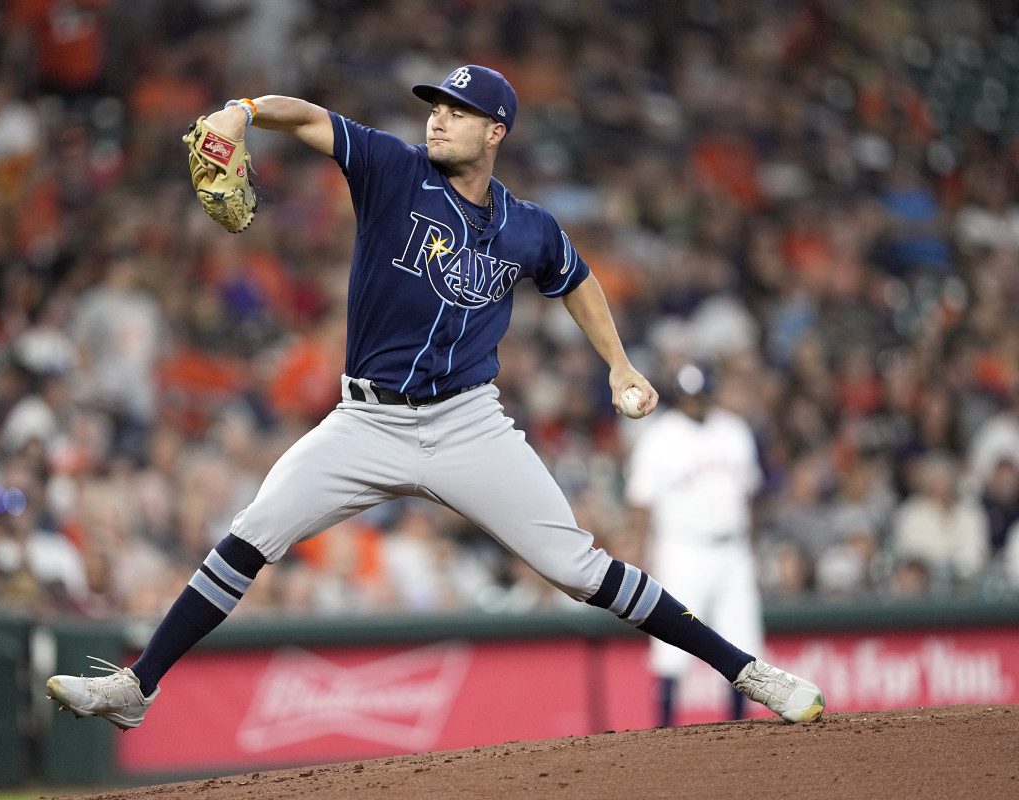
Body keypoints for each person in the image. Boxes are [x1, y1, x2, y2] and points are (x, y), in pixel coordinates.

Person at [46, 65, 824, 730]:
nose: (439, 118)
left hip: (467, 423)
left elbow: (576, 279)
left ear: (497, 132)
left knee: (580, 568)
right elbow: (308, 116)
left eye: (458, 111)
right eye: (436, 106)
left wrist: (619, 364)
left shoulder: (528, 226)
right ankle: (136, 687)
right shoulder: (391, 167)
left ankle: (749, 674)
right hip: (365, 419)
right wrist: (241, 112)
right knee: (251, 534)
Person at [625, 362, 766, 727]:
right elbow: (641, 502)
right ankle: (665, 728)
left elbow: (750, 496)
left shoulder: (734, 430)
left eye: (700, 395)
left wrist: (753, 549)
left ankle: (739, 728)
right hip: (682, 550)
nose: (695, 403)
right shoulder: (660, 436)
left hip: (734, 551)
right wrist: (639, 554)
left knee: (742, 642)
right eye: (688, 397)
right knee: (671, 645)